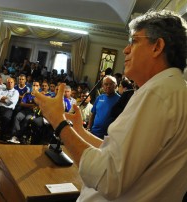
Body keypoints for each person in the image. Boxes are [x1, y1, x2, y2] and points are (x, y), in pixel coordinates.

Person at [33, 10, 187, 201]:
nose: (126, 50)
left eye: (135, 41)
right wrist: (80, 130)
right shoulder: (174, 90)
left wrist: (59, 122)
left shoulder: (158, 93)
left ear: (157, 47)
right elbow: (119, 155)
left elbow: (107, 177)